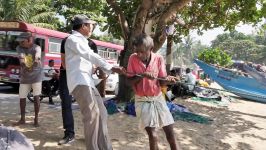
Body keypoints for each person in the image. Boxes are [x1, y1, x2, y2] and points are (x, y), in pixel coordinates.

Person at [64, 14, 126, 150]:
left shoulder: (82, 41)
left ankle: (104, 147)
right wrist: (111, 67)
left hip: (87, 82)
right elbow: (90, 55)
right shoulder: (73, 39)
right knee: (92, 116)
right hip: (80, 82)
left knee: (102, 113)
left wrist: (102, 68)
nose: (92, 27)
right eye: (91, 24)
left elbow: (88, 59)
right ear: (83, 26)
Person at [127, 34, 179, 150]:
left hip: (158, 99)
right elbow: (129, 81)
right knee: (153, 135)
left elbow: (162, 83)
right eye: (137, 51)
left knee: (170, 134)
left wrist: (169, 81)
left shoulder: (159, 59)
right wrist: (142, 75)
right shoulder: (133, 58)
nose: (139, 54)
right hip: (142, 100)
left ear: (151, 49)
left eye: (142, 52)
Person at [14, 32, 42, 127]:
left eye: (22, 41)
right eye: (19, 41)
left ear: (29, 40)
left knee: (36, 97)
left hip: (36, 77)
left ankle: (36, 118)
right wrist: (26, 67)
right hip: (25, 77)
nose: (20, 43)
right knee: (22, 98)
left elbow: (37, 57)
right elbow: (21, 60)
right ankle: (22, 119)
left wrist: (36, 61)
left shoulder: (37, 47)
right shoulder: (19, 48)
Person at [57, 36, 75, 145]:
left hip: (84, 77)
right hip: (66, 76)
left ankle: (92, 134)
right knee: (66, 104)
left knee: (89, 107)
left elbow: (93, 64)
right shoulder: (66, 41)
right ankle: (69, 134)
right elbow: (64, 64)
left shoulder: (90, 43)